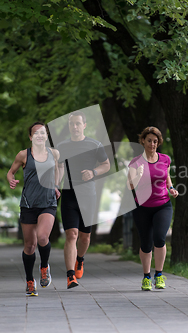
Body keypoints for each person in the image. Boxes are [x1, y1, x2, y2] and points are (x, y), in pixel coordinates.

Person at [56, 111, 110, 289]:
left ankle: (80, 259)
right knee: (72, 234)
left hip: (88, 195)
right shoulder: (62, 146)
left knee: (85, 237)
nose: (75, 127)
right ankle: (70, 276)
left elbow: (106, 165)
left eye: (78, 123)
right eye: (72, 124)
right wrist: (56, 185)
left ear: (84, 125)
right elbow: (60, 167)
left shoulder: (95, 145)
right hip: (69, 194)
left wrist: (93, 172)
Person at [7, 122, 60, 296]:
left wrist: (56, 185)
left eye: (42, 133)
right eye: (35, 133)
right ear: (30, 137)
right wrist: (11, 179)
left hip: (48, 202)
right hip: (28, 204)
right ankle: (30, 281)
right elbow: (10, 172)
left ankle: (44, 266)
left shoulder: (54, 153)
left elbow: (58, 168)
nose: (39, 135)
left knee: (43, 237)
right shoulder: (23, 155)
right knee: (30, 246)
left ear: (46, 136)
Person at [128, 126, 179, 291]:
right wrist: (138, 174)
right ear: (143, 141)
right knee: (146, 243)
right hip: (142, 207)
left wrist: (171, 188)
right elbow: (130, 185)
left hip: (163, 205)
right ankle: (146, 277)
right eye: (149, 140)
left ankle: (159, 275)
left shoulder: (165, 159)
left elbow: (167, 177)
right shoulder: (135, 162)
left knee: (159, 238)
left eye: (155, 141)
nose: (152, 144)